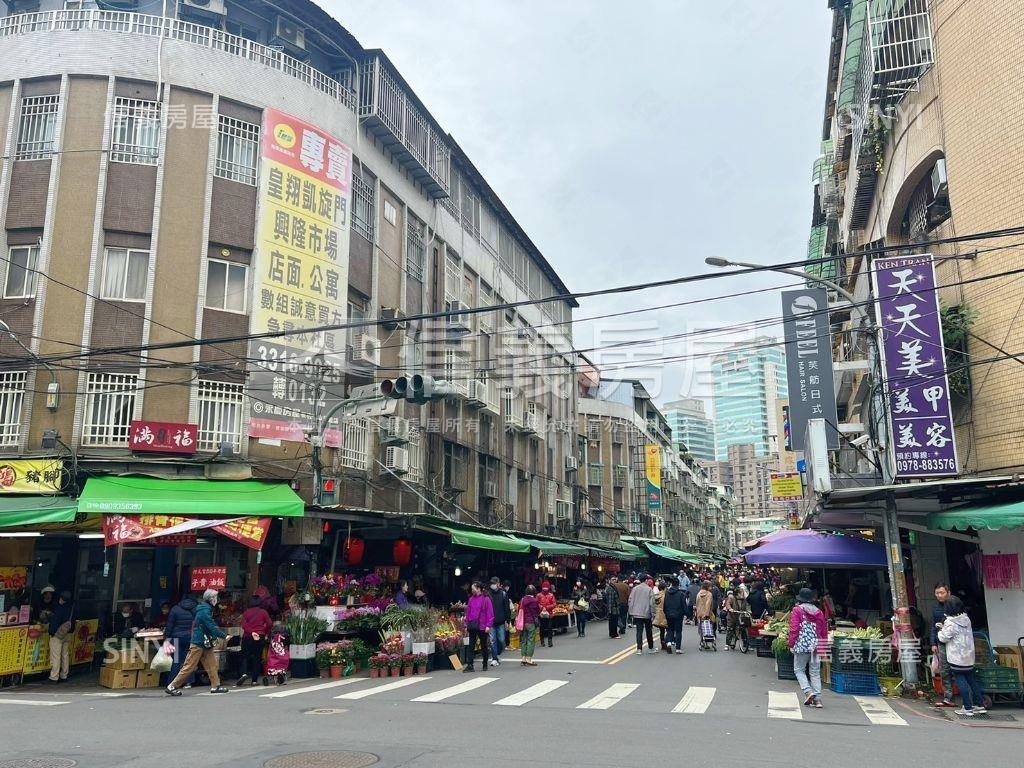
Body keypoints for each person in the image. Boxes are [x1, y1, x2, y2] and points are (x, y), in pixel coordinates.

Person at [165, 589, 228, 696]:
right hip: (198, 642)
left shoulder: (204, 608)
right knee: (189, 665)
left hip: (203, 641)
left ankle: (215, 686)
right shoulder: (204, 610)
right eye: (215, 597)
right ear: (211, 599)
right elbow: (210, 625)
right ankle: (172, 686)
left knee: (212, 664)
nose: (217, 600)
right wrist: (224, 636)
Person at [936, 595, 987, 716]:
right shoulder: (966, 619)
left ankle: (967, 708)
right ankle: (979, 705)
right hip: (969, 656)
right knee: (971, 680)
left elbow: (943, 638)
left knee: (960, 681)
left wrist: (940, 630)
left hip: (956, 657)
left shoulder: (950, 622)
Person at [788, 588, 827, 708]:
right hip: (816, 645)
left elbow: (794, 629)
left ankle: (808, 692)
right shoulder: (819, 612)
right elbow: (824, 631)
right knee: (815, 672)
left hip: (802, 645)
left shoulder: (797, 610)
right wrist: (823, 648)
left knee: (799, 670)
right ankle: (818, 700)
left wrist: (791, 643)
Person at [237, 595, 272, 686]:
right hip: (260, 637)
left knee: (244, 656)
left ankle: (244, 673)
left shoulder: (246, 613)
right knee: (257, 658)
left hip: (247, 637)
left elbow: (244, 626)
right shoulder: (263, 612)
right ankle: (254, 681)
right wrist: (265, 632)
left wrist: (252, 632)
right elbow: (269, 624)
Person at [930, 582, 955, 708]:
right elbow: (933, 627)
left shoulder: (955, 607)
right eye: (937, 593)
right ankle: (948, 697)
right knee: (944, 670)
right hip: (941, 643)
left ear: (948, 593)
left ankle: (966, 696)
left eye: (942, 593)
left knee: (958, 669)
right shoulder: (936, 610)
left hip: (956, 644)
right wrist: (933, 643)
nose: (939, 595)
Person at [164, 594, 197, 688]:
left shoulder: (175, 609)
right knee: (189, 661)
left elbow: (170, 625)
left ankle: (172, 682)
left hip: (177, 638)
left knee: (176, 660)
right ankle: (188, 682)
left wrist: (166, 637)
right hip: (190, 638)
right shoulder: (196, 609)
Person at [463, 581, 493, 673]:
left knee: (484, 646)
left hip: (483, 626)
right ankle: (470, 665)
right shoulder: (471, 599)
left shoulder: (486, 599)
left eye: (473, 588)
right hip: (473, 625)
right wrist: (466, 624)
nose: (472, 590)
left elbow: (490, 613)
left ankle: (485, 664)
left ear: (479, 589)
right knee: (471, 646)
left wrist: (488, 625)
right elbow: (468, 613)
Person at [47, 591, 76, 683]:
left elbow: (55, 623)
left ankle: (54, 677)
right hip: (68, 634)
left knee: (56, 656)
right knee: (65, 655)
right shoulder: (71, 608)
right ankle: (64, 675)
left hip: (58, 635)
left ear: (61, 599)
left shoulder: (60, 609)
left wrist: (51, 633)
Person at [628, 575, 655, 655]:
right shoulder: (649, 589)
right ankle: (650, 648)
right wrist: (653, 613)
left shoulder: (635, 589)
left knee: (639, 631)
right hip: (646, 613)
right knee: (649, 631)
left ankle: (639, 649)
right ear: (646, 580)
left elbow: (630, 600)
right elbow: (652, 603)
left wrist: (631, 611)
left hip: (637, 613)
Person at [488, 577, 510, 666]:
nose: (493, 585)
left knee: (501, 639)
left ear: (498, 584)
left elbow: (507, 608)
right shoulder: (488, 595)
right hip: (491, 621)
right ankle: (494, 658)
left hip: (501, 621)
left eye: (494, 583)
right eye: (491, 583)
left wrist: (507, 621)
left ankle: (497, 653)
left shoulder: (503, 594)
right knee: (493, 640)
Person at [519, 585, 540, 666]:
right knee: (531, 640)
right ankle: (529, 659)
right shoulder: (534, 601)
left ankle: (523, 658)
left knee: (524, 640)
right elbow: (537, 612)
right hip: (530, 622)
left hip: (523, 622)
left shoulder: (522, 600)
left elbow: (519, 611)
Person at [664, 577, 686, 654]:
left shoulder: (667, 593)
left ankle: (669, 642)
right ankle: (678, 648)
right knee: (678, 631)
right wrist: (687, 614)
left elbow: (665, 604)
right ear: (678, 585)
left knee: (670, 629)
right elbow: (684, 605)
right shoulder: (681, 594)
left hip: (669, 614)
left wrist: (665, 612)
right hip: (678, 615)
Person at [537, 581, 558, 648]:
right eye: (544, 587)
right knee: (542, 628)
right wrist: (542, 608)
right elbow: (536, 603)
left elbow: (554, 604)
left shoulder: (551, 595)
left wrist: (546, 607)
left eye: (546, 587)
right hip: (541, 614)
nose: (545, 588)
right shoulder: (539, 595)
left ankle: (550, 641)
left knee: (549, 627)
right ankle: (542, 641)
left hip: (549, 614)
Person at [652, 579, 668, 651]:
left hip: (658, 615)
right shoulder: (666, 596)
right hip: (665, 614)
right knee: (669, 630)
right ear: (664, 588)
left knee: (662, 631)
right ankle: (666, 642)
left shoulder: (656, 596)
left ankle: (662, 644)